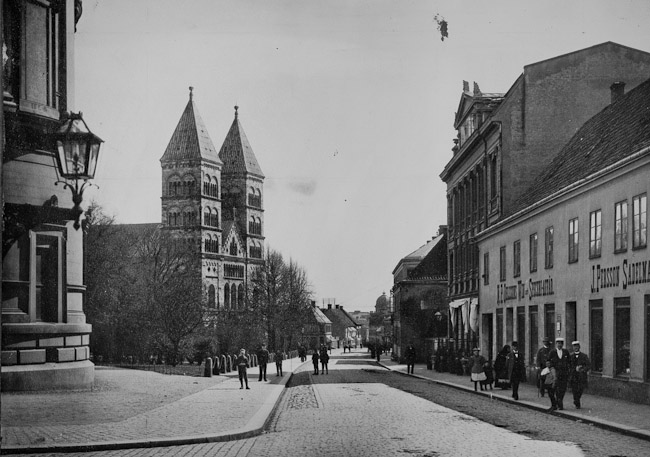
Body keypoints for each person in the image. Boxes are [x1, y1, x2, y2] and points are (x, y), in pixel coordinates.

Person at [548, 337, 570, 410]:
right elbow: (548, 362)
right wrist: (552, 369)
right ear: (556, 344)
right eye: (558, 343)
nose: (559, 345)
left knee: (562, 389)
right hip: (555, 374)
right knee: (552, 390)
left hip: (564, 374)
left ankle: (560, 402)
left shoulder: (566, 352)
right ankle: (554, 404)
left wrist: (568, 371)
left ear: (562, 344)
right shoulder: (552, 352)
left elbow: (569, 362)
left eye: (561, 343)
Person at [569, 341, 590, 409]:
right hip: (573, 376)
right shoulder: (570, 356)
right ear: (573, 347)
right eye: (574, 346)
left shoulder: (584, 356)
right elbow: (568, 366)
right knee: (574, 389)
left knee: (581, 389)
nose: (576, 347)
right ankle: (577, 402)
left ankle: (577, 399)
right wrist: (574, 369)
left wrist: (582, 369)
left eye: (577, 346)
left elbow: (588, 365)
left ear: (579, 347)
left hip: (581, 376)